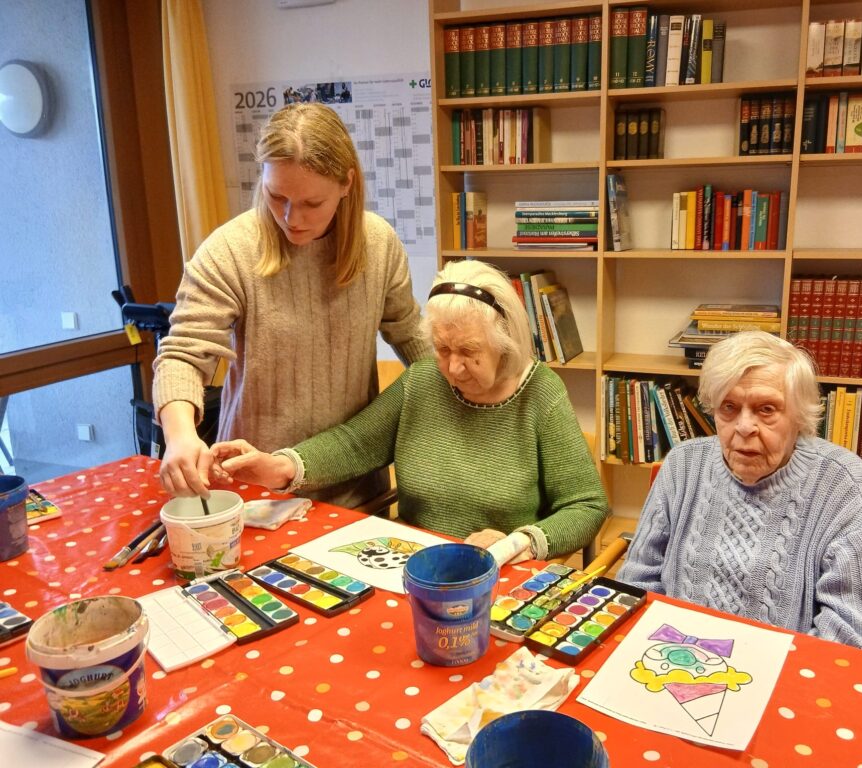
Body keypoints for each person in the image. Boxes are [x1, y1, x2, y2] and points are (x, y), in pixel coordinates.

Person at [210, 259, 608, 560]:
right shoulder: (422, 380)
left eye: (469, 351)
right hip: (412, 561)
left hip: (499, 573)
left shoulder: (539, 393)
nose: (453, 367)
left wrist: (518, 542)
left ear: (505, 342)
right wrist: (281, 466)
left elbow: (587, 506)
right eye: (442, 349)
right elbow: (354, 443)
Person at [153, 102, 432, 507]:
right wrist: (180, 436)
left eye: (311, 204)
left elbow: (411, 337)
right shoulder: (230, 250)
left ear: (346, 183)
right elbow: (182, 355)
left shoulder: (379, 244)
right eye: (276, 196)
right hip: (255, 492)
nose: (291, 217)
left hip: (353, 489)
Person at [618, 330, 862, 653]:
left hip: (782, 677)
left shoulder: (840, 483)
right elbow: (637, 583)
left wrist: (764, 675)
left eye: (766, 409)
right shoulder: (682, 465)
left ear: (799, 416)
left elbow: (858, 631)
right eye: (729, 407)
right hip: (672, 657)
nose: (744, 427)